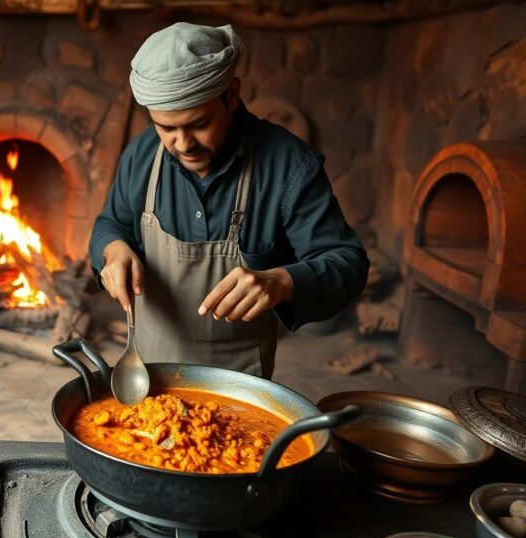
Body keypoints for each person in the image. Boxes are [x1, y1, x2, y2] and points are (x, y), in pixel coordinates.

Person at [89, 22, 369, 379]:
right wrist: (113, 250)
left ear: (232, 94)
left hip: (241, 386)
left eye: (198, 123)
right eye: (166, 128)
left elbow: (348, 263)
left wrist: (283, 281)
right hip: (148, 376)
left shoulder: (288, 164)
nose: (183, 144)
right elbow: (109, 224)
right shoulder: (141, 155)